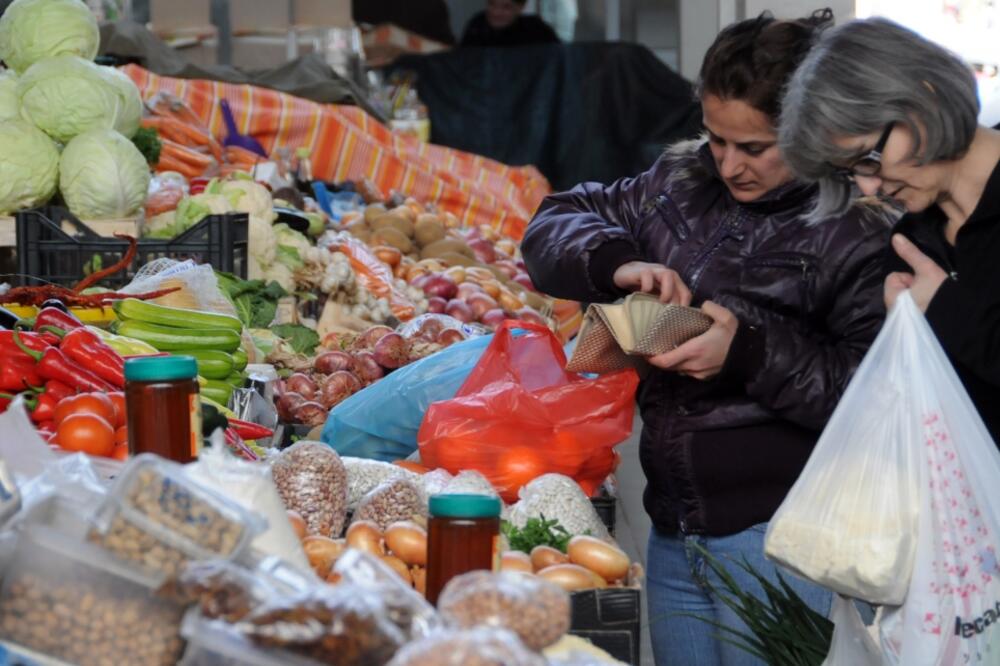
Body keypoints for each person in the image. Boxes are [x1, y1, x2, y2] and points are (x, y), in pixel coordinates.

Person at [521, 10, 890, 666]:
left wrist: (744, 351)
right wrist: (616, 263)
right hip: (675, 535)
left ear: (811, 129)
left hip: (785, 548)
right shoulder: (679, 182)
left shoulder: (856, 230)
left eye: (754, 147)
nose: (729, 165)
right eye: (716, 139)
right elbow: (555, 220)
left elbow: (871, 394)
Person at [779, 17, 1000, 443]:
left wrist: (946, 309)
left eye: (868, 158)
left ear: (925, 98)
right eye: (850, 173)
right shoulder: (909, 247)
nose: (868, 187)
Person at [460, 0, 559, 48]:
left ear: (521, 7)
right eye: (492, 4)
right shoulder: (477, 27)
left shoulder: (536, 30)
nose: (496, 12)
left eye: (506, 7)